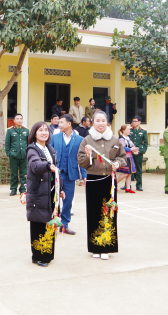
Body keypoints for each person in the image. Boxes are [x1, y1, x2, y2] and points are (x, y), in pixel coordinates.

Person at [77, 111, 127, 260]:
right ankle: (95, 248)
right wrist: (87, 156)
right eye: (97, 120)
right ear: (92, 122)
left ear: (107, 122)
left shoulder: (114, 140)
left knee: (109, 212)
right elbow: (81, 162)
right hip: (93, 180)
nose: (100, 123)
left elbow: (123, 157)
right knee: (93, 214)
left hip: (109, 181)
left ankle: (106, 246)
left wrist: (118, 163)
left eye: (103, 120)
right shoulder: (86, 140)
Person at [27, 122, 64, 267]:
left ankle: (47, 254)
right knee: (38, 223)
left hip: (50, 192)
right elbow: (35, 166)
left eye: (46, 130)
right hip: (38, 193)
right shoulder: (32, 149)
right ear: (34, 133)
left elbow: (56, 169)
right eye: (40, 130)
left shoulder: (50, 149)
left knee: (49, 222)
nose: (44, 132)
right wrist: (48, 166)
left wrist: (60, 187)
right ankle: (38, 256)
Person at [50, 115, 87, 235]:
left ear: (69, 124)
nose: (59, 124)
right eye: (58, 122)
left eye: (61, 122)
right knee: (53, 199)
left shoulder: (80, 139)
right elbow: (49, 155)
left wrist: (84, 176)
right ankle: (52, 222)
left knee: (68, 200)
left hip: (71, 174)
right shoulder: (54, 138)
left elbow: (81, 159)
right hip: (55, 174)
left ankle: (65, 225)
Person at [5, 113, 29, 196]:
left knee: (24, 173)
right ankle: (13, 189)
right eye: (17, 119)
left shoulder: (26, 130)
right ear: (14, 121)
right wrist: (9, 153)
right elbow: (7, 143)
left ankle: (23, 189)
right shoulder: (10, 130)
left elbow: (28, 143)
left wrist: (28, 153)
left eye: (21, 119)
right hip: (14, 155)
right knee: (14, 173)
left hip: (24, 155)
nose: (19, 120)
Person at [128, 116, 147, 192]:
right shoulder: (129, 130)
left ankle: (139, 185)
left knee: (138, 169)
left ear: (139, 122)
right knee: (128, 169)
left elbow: (145, 143)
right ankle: (127, 185)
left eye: (135, 121)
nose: (134, 123)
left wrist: (142, 151)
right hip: (130, 152)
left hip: (138, 152)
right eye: (133, 121)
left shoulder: (143, 131)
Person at [116, 125, 136, 193]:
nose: (129, 131)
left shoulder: (128, 138)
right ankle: (115, 184)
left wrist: (135, 150)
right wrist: (131, 149)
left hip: (130, 157)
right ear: (123, 130)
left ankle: (128, 188)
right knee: (125, 173)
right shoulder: (121, 138)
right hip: (124, 157)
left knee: (129, 173)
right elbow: (123, 148)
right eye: (128, 129)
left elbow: (133, 146)